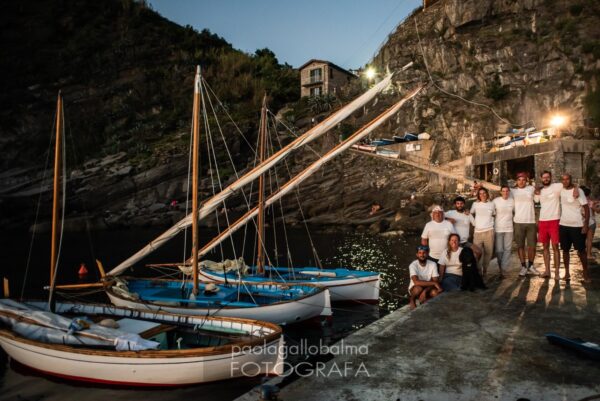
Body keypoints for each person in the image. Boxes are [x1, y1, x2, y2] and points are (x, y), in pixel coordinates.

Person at [534, 171, 578, 279]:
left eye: (547, 177)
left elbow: (569, 183)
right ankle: (547, 271)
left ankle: (557, 272)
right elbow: (536, 201)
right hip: (543, 221)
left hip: (555, 220)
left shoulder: (557, 186)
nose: (546, 179)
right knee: (544, 247)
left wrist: (576, 188)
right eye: (544, 177)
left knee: (555, 247)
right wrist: (537, 190)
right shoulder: (539, 191)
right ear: (541, 179)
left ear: (551, 177)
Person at [559, 174, 590, 282]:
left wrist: (585, 224)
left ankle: (585, 274)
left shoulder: (579, 191)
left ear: (570, 180)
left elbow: (586, 208)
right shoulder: (561, 189)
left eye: (567, 179)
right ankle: (567, 273)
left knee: (581, 251)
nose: (565, 181)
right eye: (563, 179)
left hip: (577, 226)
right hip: (563, 225)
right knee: (565, 250)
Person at [511, 172, 540, 277]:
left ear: (526, 181)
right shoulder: (512, 191)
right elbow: (503, 196)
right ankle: (523, 267)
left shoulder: (531, 189)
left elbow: (537, 200)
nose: (521, 181)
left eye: (523, 180)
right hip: (518, 221)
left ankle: (531, 266)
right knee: (520, 246)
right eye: (519, 180)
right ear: (516, 181)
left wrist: (536, 191)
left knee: (532, 246)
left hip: (531, 221)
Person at [470, 187, 496, 278]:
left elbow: (494, 215)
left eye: (484, 193)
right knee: (477, 252)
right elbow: (470, 214)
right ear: (478, 195)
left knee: (489, 252)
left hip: (489, 231)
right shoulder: (475, 204)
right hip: (477, 232)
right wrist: (474, 224)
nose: (482, 195)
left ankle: (485, 269)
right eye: (480, 193)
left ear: (487, 194)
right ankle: (478, 270)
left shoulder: (492, 204)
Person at [492, 185, 514, 277]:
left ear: (509, 192)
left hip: (509, 228)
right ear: (500, 192)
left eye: (507, 191)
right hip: (498, 228)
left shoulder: (512, 201)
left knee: (507, 249)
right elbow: (490, 211)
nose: (505, 193)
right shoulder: (495, 201)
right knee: (499, 250)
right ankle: (501, 267)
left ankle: (503, 269)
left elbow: (516, 211)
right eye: (503, 191)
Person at [581, 186, 598, 261]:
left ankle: (581, 253)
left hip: (582, 223)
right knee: (589, 240)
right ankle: (588, 255)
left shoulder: (580, 202)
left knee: (582, 240)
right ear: (589, 194)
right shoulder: (591, 202)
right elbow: (597, 211)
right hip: (591, 222)